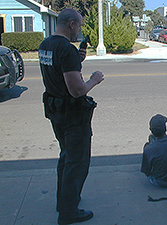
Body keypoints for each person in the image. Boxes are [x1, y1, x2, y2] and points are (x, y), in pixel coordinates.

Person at [38, 8, 104, 225]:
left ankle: (63, 201)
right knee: (77, 163)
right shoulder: (66, 49)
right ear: (72, 25)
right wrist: (94, 79)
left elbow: (59, 72)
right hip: (73, 115)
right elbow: (77, 90)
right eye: (80, 25)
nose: (80, 30)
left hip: (56, 111)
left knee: (66, 157)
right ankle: (68, 213)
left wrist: (77, 60)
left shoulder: (46, 45)